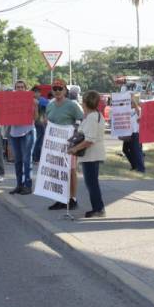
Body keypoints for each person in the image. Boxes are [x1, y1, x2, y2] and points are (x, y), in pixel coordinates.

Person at [46, 78, 84, 210]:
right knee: (56, 171)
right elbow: (47, 120)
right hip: (54, 144)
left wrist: (74, 132)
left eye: (60, 88)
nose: (57, 91)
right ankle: (60, 198)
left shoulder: (72, 105)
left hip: (69, 144)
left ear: (65, 90)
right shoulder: (50, 105)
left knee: (71, 170)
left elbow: (81, 119)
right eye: (54, 89)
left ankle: (72, 199)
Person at [67, 91, 107, 218]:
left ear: (84, 103)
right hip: (94, 154)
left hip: (91, 155)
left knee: (92, 183)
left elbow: (89, 140)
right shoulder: (97, 115)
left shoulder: (91, 118)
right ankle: (98, 207)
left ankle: (98, 209)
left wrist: (75, 148)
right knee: (92, 182)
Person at [8, 81, 39, 195]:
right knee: (18, 161)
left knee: (27, 160)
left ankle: (28, 185)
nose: (20, 89)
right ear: (15, 88)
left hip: (27, 132)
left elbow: (35, 118)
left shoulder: (32, 101)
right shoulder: (10, 100)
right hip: (14, 133)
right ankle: (19, 185)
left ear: (26, 89)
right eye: (17, 87)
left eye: (22, 87)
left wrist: (34, 106)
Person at [121, 95, 145, 172]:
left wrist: (132, 98)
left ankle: (141, 168)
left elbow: (138, 109)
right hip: (128, 133)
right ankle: (134, 165)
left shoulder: (138, 110)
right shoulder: (128, 110)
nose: (130, 104)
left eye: (131, 102)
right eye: (129, 102)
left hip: (136, 133)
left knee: (137, 151)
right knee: (125, 149)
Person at [31, 86, 49, 164]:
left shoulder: (43, 100)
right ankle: (35, 157)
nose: (36, 94)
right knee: (36, 141)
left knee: (39, 141)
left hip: (40, 123)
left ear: (40, 93)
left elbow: (46, 109)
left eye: (37, 92)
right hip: (33, 123)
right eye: (35, 92)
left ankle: (36, 158)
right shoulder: (29, 100)